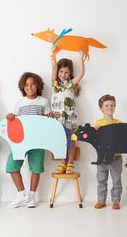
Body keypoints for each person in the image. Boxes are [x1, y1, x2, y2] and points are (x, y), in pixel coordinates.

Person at [6, 72, 51, 208]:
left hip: (38, 140)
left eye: (32, 84)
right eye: (26, 84)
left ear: (38, 85)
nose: (29, 87)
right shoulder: (20, 102)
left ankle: (31, 197)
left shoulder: (43, 101)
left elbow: (48, 120)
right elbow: (16, 119)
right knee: (12, 165)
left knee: (36, 168)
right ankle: (21, 194)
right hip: (21, 140)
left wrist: (51, 116)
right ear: (22, 87)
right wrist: (10, 116)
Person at [94, 94, 127, 210]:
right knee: (101, 180)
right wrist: (94, 130)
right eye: (106, 105)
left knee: (116, 180)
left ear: (115, 107)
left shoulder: (118, 122)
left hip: (116, 158)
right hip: (102, 159)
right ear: (101, 108)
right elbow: (95, 139)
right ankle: (101, 200)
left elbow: (124, 136)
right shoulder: (98, 123)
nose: (109, 107)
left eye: (112, 105)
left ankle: (116, 200)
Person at [51, 45, 85, 174]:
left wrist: (81, 58)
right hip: (57, 117)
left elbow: (82, 74)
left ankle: (70, 163)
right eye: (61, 72)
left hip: (70, 116)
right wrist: (53, 53)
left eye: (66, 72)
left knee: (71, 138)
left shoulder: (71, 84)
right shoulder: (55, 85)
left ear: (70, 73)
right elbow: (54, 66)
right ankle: (62, 162)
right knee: (60, 139)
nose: (63, 75)